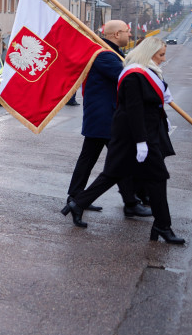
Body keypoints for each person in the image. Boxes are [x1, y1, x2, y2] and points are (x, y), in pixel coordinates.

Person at [64, 37, 183, 243]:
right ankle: (162, 225)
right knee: (157, 177)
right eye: (161, 55)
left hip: (141, 134)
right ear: (149, 53)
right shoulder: (134, 74)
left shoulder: (148, 72)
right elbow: (133, 110)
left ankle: (78, 203)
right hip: (136, 135)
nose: (163, 59)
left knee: (113, 174)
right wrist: (141, 141)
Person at [67, 20, 151, 218]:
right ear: (116, 34)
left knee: (90, 158)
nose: (130, 34)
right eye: (127, 31)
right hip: (106, 118)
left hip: (103, 117)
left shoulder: (111, 53)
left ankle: (76, 196)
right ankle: (131, 202)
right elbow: (127, 77)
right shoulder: (104, 55)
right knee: (120, 159)